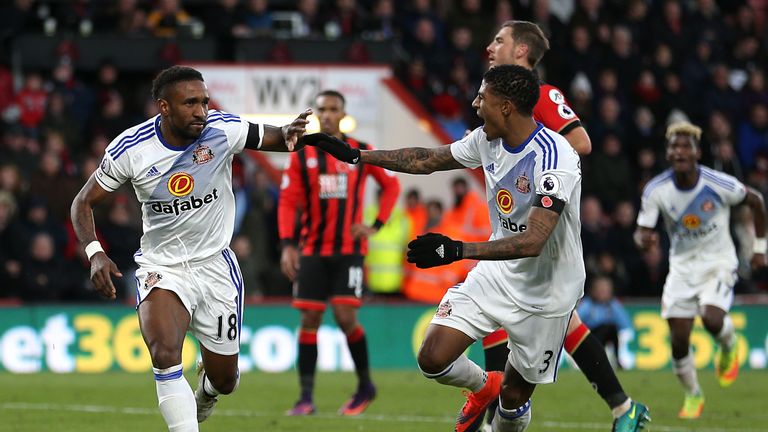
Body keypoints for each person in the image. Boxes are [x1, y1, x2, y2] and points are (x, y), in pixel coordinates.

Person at [307, 64, 583, 432]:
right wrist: (358, 157)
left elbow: (534, 241)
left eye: (482, 97)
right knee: (432, 358)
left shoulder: (556, 157)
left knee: (514, 400)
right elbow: (428, 159)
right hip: (499, 273)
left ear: (505, 106)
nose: (474, 103)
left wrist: (457, 251)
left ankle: (503, 402)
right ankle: (484, 386)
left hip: (548, 288)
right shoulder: (488, 139)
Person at [70, 66, 311, 432]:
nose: (201, 110)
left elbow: (275, 137)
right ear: (164, 107)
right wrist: (95, 252)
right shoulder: (131, 149)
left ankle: (207, 392)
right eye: (190, 103)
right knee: (165, 355)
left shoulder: (222, 129)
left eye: (204, 101)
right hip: (162, 266)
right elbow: (82, 202)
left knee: (226, 380)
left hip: (215, 266)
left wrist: (290, 133)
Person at [480, 20, 649, 432]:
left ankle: (493, 417)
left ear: (522, 52)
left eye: (499, 41)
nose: (489, 47)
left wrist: (537, 182)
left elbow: (581, 142)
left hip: (540, 227)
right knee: (561, 323)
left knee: (493, 310)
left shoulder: (540, 95)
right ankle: (622, 406)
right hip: (512, 224)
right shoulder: (498, 98)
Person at [277, 89, 400, 416]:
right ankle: (305, 398)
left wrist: (376, 224)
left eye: (334, 109)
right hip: (313, 250)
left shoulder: (359, 151)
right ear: (316, 114)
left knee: (346, 317)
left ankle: (365, 386)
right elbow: (288, 201)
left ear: (343, 113)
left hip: (349, 251)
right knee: (309, 318)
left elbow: (391, 185)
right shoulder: (302, 155)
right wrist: (288, 245)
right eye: (323, 110)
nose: (328, 114)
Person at [635, 121, 767, 419]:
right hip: (681, 268)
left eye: (686, 146)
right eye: (674, 146)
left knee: (710, 317)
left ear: (697, 153)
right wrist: (644, 241)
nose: (679, 151)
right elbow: (641, 231)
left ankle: (729, 344)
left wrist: (759, 249)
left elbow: (757, 201)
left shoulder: (719, 183)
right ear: (667, 153)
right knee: (679, 339)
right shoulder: (657, 190)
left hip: (718, 262)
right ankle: (693, 394)